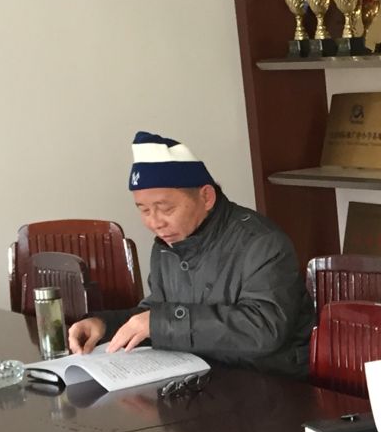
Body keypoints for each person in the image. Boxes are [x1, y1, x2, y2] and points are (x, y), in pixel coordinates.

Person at [67, 131, 313, 377]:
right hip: (204, 377)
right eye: (144, 210)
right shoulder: (167, 245)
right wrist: (105, 325)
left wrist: (159, 323)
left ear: (206, 197)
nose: (155, 223)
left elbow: (264, 328)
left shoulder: (261, 242)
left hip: (269, 381)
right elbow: (157, 312)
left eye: (166, 209)